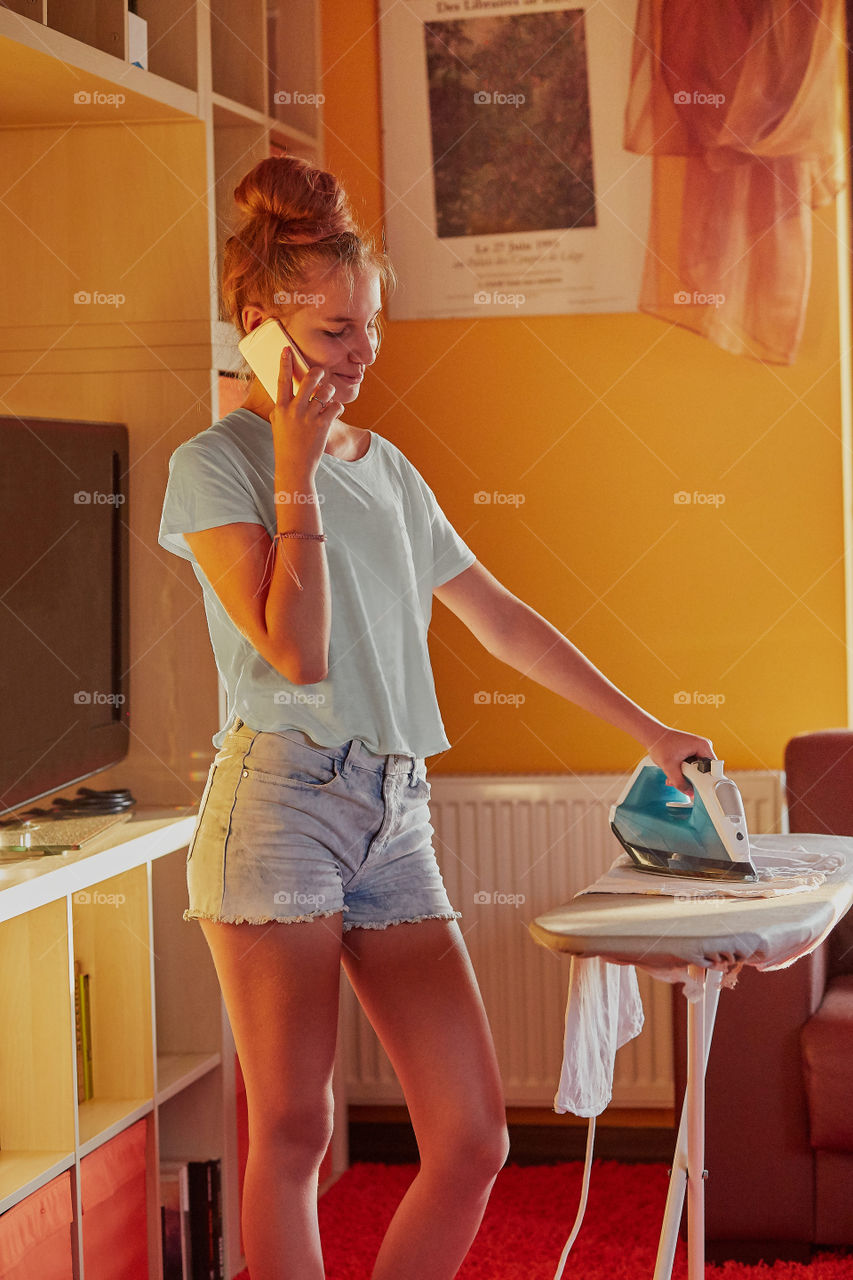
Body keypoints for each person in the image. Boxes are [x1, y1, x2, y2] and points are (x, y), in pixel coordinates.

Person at [158, 154, 715, 1280]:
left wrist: (649, 728)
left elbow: (500, 618)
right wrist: (295, 468)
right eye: (332, 333)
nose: (360, 354)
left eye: (368, 326)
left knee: (471, 1136)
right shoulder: (213, 468)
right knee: (297, 1132)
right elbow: (294, 649)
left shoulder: (394, 469)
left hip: (391, 810)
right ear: (261, 328)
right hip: (278, 806)